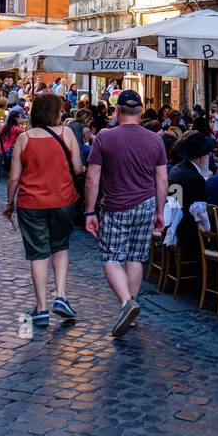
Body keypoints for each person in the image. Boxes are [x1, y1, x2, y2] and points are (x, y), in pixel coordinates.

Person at [83, 90, 167, 337]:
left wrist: (89, 211)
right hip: (146, 204)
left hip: (116, 205)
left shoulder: (105, 138)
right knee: (135, 257)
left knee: (111, 258)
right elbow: (162, 180)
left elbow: (92, 178)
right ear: (141, 112)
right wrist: (160, 211)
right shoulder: (156, 140)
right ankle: (129, 312)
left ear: (117, 111)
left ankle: (126, 302)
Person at [2, 93, 83, 329]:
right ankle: (61, 296)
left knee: (38, 253)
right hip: (63, 200)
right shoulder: (66, 133)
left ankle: (41, 308)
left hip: (31, 203)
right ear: (55, 111)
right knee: (60, 246)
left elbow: (14, 177)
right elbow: (77, 169)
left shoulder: (24, 139)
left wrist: (9, 203)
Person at [168, 131, 217, 260]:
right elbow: (200, 210)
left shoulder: (176, 169)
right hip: (189, 230)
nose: (209, 158)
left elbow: (175, 203)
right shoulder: (194, 178)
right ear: (201, 158)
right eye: (208, 155)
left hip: (175, 222)